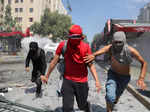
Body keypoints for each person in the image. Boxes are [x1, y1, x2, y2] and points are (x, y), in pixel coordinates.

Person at [40, 25, 101, 112]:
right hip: (68, 80)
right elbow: (54, 62)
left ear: (81, 37)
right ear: (69, 37)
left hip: (82, 81)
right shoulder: (63, 46)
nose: (75, 40)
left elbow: (90, 65)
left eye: (77, 38)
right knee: (67, 108)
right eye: (73, 38)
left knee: (82, 106)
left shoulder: (86, 47)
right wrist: (47, 76)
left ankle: (86, 106)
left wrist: (97, 81)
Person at [84, 31, 147, 112]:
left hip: (124, 78)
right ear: (113, 41)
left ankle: (114, 100)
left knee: (115, 99)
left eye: (119, 42)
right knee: (110, 96)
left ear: (124, 41)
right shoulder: (111, 47)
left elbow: (144, 63)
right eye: (115, 42)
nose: (117, 44)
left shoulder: (131, 51)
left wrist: (141, 78)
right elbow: (104, 49)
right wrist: (94, 55)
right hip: (113, 75)